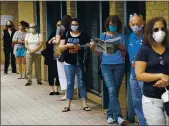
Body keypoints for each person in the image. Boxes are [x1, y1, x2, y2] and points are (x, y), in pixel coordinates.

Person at [89, 15, 128, 125]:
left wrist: (122, 48)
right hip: (106, 66)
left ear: (118, 25)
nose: (112, 27)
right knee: (111, 90)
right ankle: (119, 117)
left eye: (114, 25)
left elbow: (125, 54)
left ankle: (110, 114)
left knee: (114, 91)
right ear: (108, 25)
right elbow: (99, 53)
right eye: (111, 25)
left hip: (119, 65)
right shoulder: (103, 35)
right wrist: (93, 48)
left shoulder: (122, 36)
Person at [135, 17, 169, 125]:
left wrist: (168, 80)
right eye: (156, 29)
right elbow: (139, 75)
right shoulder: (144, 50)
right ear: (150, 32)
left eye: (163, 29)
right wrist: (160, 76)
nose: (160, 32)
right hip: (152, 100)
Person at [59, 18, 91, 112]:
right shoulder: (66, 34)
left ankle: (84, 104)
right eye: (72, 24)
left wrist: (80, 47)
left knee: (81, 82)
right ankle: (68, 105)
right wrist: (68, 46)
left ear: (79, 25)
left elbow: (90, 45)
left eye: (76, 24)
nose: (74, 26)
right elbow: (60, 48)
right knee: (69, 83)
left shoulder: (84, 35)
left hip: (80, 62)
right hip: (68, 62)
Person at [128, 13, 147, 125]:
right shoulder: (131, 36)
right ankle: (142, 123)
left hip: (144, 74)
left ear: (143, 23)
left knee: (147, 101)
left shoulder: (147, 38)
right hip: (133, 74)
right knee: (136, 101)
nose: (135, 26)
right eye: (133, 24)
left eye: (138, 24)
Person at [56, 15, 78, 101]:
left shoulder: (60, 29)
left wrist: (53, 40)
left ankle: (66, 94)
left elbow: (57, 41)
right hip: (72, 52)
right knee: (72, 74)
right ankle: (73, 93)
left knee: (63, 74)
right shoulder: (72, 30)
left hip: (62, 53)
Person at [41, 21, 61, 95]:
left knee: (58, 73)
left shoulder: (63, 34)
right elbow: (47, 44)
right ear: (56, 26)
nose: (59, 26)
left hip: (59, 57)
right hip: (52, 56)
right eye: (58, 25)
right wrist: (52, 39)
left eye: (61, 25)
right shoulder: (53, 33)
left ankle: (56, 87)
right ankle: (51, 88)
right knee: (51, 73)